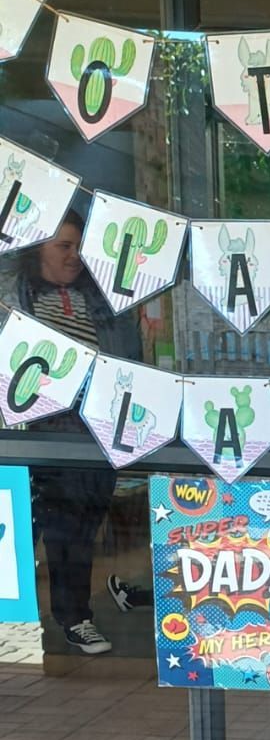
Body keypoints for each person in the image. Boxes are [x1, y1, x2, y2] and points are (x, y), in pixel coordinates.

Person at [7, 209, 143, 653]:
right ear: (36, 250)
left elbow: (130, 365)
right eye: (63, 246)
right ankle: (62, 617)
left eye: (80, 247)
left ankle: (73, 616)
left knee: (80, 528)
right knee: (40, 529)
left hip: (94, 429)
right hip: (36, 430)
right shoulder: (14, 299)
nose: (75, 256)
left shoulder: (102, 302)